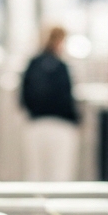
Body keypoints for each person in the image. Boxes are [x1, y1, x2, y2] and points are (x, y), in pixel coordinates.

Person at [20, 26, 79, 181]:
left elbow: (23, 97)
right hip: (61, 125)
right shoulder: (62, 67)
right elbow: (67, 97)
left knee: (36, 173)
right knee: (60, 174)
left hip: (36, 124)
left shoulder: (33, 64)